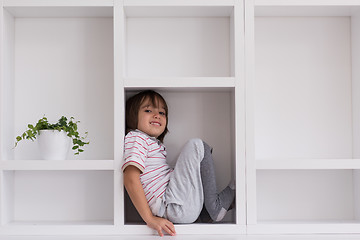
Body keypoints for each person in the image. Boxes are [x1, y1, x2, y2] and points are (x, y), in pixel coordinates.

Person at [122, 90, 235, 236]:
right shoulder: (136, 137)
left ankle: (205, 213)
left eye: (162, 113)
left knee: (184, 166)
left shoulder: (152, 143)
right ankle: (215, 207)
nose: (157, 115)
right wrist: (149, 218)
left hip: (176, 209)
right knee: (196, 146)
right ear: (132, 116)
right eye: (148, 110)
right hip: (171, 206)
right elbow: (130, 178)